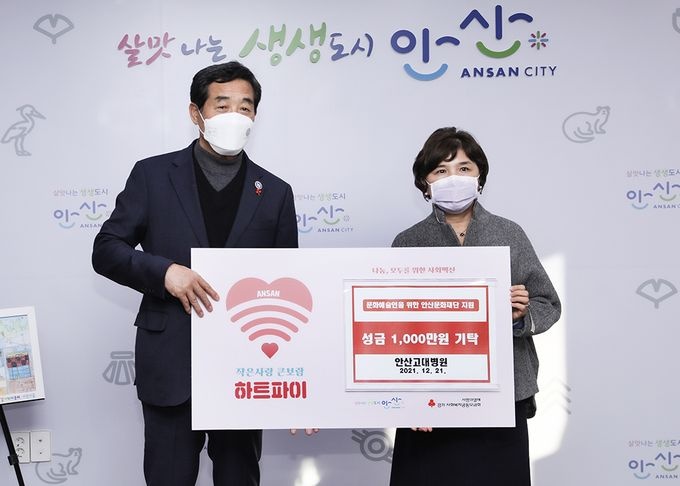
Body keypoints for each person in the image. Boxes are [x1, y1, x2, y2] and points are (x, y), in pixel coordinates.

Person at [92, 61, 298, 486]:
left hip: (245, 369)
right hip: (171, 363)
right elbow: (106, 249)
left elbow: (289, 287)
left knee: (240, 477)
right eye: (222, 105)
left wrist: (297, 380)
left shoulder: (275, 192)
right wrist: (164, 272)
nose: (234, 116)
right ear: (196, 113)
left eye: (245, 107)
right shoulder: (152, 175)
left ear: (255, 116)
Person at [389, 127, 561, 486]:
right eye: (441, 170)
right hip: (430, 399)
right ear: (425, 184)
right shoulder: (408, 242)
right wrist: (409, 399)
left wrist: (520, 317)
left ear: (479, 176)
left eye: (464, 168)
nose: (454, 178)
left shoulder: (509, 233)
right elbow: (395, 328)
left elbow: (548, 302)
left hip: (502, 393)